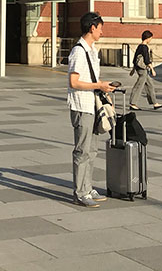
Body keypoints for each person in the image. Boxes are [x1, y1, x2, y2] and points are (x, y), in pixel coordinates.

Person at [67, 11, 116, 208]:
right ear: (92, 28)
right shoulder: (79, 51)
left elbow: (92, 80)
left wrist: (105, 92)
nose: (102, 32)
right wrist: (99, 86)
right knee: (82, 149)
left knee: (92, 149)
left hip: (93, 105)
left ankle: (87, 187)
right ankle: (80, 192)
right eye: (100, 28)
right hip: (82, 105)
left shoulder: (91, 50)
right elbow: (74, 82)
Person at [128, 30, 162, 110]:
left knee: (149, 85)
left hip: (139, 68)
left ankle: (154, 103)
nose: (151, 40)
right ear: (148, 38)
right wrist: (152, 69)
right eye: (151, 38)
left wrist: (133, 69)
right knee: (139, 85)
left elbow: (135, 58)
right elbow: (147, 60)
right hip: (143, 69)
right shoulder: (144, 47)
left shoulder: (140, 46)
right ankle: (133, 103)